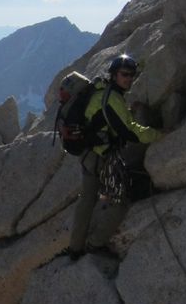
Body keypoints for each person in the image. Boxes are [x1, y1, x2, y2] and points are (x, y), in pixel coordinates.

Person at [65, 53, 161, 260]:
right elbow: (131, 132)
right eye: (124, 74)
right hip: (103, 158)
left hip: (88, 154)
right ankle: (94, 244)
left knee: (87, 200)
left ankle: (75, 248)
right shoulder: (112, 99)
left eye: (131, 75)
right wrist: (160, 135)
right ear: (114, 75)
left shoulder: (102, 92)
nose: (129, 79)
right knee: (120, 203)